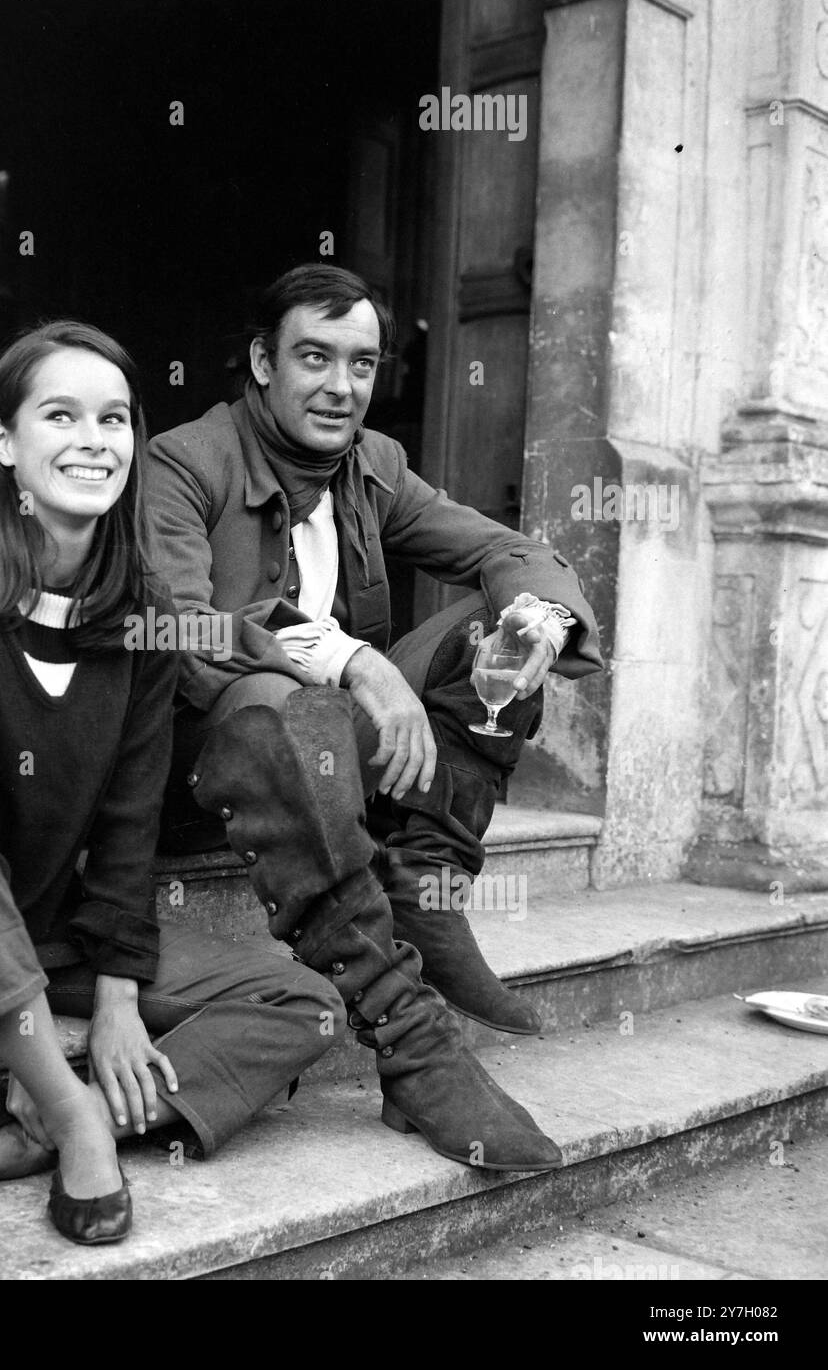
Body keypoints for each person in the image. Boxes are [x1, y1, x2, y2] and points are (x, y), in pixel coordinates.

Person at [0, 321, 343, 1246]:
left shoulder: (142, 624)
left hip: (48, 929)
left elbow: (128, 829)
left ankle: (38, 1126)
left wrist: (121, 998)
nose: (94, 439)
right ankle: (76, 1117)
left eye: (115, 418)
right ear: (5, 444)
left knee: (307, 1003)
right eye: (62, 415)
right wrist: (50, 1031)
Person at [145, 265, 604, 1173]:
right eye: (313, 357)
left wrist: (539, 619)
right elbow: (181, 630)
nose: (341, 385)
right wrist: (353, 660)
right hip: (202, 766)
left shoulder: (375, 465)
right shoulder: (182, 462)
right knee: (276, 703)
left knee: (496, 627)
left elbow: (510, 550)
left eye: (361, 362)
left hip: (322, 747)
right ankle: (414, 1041)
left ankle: (424, 889)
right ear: (260, 363)